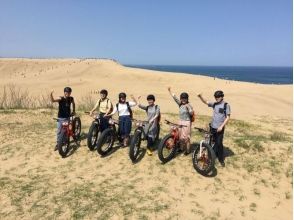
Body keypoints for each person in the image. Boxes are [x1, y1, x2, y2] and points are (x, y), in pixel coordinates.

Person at [198, 90, 231, 167]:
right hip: (212, 127)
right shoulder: (215, 104)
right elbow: (206, 102)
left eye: (218, 97)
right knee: (212, 141)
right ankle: (212, 154)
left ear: (222, 97)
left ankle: (221, 159)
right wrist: (200, 96)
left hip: (219, 128)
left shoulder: (226, 105)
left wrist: (221, 126)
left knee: (219, 143)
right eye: (215, 97)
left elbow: (228, 117)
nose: (217, 98)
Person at [168, 87, 194, 155]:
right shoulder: (180, 104)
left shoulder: (189, 105)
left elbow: (191, 113)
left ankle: (187, 151)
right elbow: (175, 98)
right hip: (180, 121)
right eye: (182, 98)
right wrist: (170, 91)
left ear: (187, 99)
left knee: (186, 137)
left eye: (185, 98)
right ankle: (181, 148)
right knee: (180, 137)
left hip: (187, 122)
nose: (183, 99)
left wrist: (189, 109)